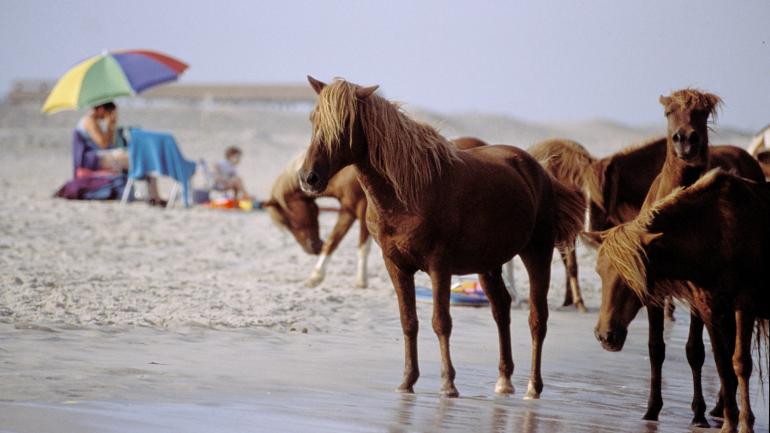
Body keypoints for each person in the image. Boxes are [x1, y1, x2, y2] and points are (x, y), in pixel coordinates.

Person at [75, 101, 166, 206]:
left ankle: (153, 195)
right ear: (101, 109)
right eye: (109, 113)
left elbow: (111, 144)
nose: (107, 116)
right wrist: (109, 125)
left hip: (98, 156)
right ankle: (154, 196)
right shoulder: (89, 121)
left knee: (136, 158)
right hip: (92, 159)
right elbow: (103, 144)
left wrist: (112, 125)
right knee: (140, 160)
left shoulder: (92, 120)